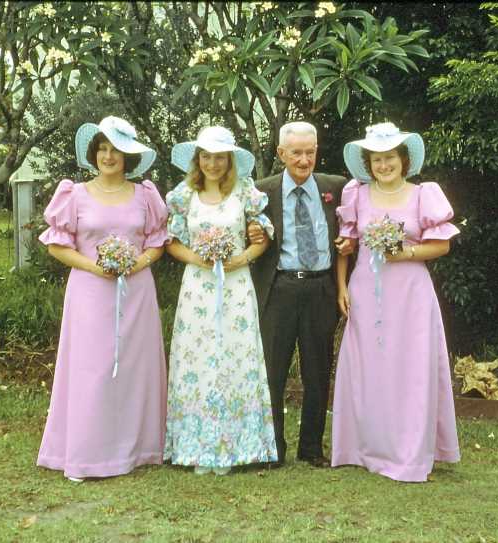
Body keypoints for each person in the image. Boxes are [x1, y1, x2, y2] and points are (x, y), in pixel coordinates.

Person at [36, 116, 169, 482]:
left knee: (133, 369)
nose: (109, 156)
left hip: (136, 291)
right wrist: (95, 267)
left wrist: (135, 264)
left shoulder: (145, 195)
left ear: (128, 156)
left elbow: (157, 242)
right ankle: (86, 455)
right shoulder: (74, 194)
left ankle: (138, 450)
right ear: (94, 154)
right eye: (103, 149)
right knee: (90, 370)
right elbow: (58, 246)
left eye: (116, 150)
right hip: (89, 292)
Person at [331, 122, 461, 482]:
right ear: (368, 163)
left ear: (403, 160)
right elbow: (347, 244)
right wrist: (341, 286)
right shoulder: (356, 195)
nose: (383, 164)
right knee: (369, 367)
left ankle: (408, 453)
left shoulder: (423, 194)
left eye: (389, 157)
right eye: (376, 159)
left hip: (410, 293)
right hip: (365, 290)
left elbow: (442, 245)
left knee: (410, 368)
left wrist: (403, 253)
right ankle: (362, 447)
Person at [164, 126, 278, 475]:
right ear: (197, 159)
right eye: (206, 157)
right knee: (197, 360)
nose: (212, 164)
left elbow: (263, 236)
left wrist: (242, 258)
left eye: (219, 157)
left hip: (236, 285)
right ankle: (196, 448)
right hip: (198, 287)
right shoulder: (184, 195)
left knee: (236, 357)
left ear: (230, 160)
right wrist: (197, 258)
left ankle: (237, 445)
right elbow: (171, 242)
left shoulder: (245, 192)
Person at [249, 121, 352, 468]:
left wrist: (349, 243)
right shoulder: (261, 192)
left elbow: (354, 226)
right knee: (273, 371)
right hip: (278, 287)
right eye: (296, 153)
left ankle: (311, 448)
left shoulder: (336, 187)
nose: (304, 160)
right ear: (281, 153)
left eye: (310, 152)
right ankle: (273, 449)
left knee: (318, 371)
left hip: (321, 287)